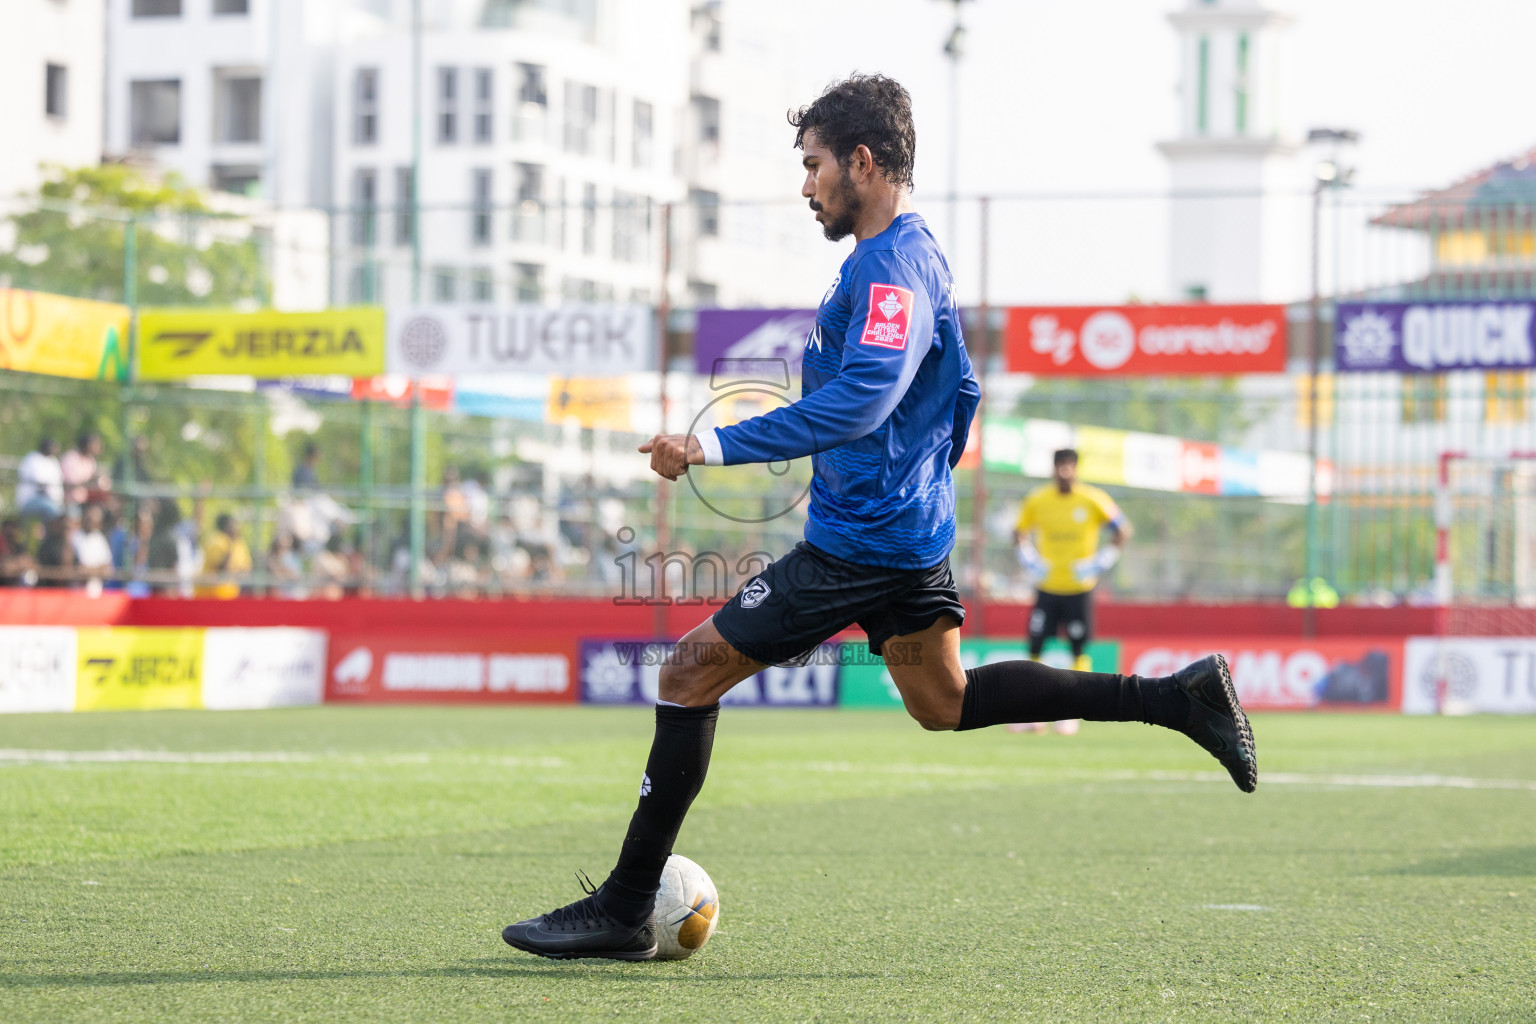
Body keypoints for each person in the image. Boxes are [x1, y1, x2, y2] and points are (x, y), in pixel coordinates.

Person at [500, 74, 1256, 962]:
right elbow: (955, 395)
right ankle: (1180, 696)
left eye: (816, 164)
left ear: (864, 161)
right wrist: (921, 474)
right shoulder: (911, 258)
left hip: (858, 546)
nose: (807, 183)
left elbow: (863, 400)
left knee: (686, 672)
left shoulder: (888, 265)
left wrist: (712, 447)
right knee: (945, 701)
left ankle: (625, 907)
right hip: (904, 535)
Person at [1010, 448, 1133, 734]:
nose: (1064, 471)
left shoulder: (1093, 499)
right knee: (1035, 644)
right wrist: (1027, 557)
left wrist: (1102, 560)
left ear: (1076, 469)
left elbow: (1122, 529)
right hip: (1048, 586)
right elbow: (1018, 532)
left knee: (1078, 647)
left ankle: (1073, 711)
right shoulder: (1037, 500)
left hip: (1079, 587)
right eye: (1060, 466)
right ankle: (1031, 712)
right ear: (1053, 469)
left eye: (1069, 466)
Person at [197, 513, 252, 599]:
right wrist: (230, 546)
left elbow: (246, 568)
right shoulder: (217, 540)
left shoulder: (239, 542)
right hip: (211, 593)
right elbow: (221, 569)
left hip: (230, 593)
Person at [16, 437, 65, 520]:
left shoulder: (53, 461)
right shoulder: (32, 459)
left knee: (66, 512)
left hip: (52, 499)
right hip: (31, 498)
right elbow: (38, 481)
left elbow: (58, 481)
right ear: (46, 446)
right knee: (54, 511)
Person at [70, 503, 115, 592]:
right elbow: (77, 569)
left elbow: (108, 569)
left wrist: (89, 571)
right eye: (90, 519)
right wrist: (96, 570)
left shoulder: (99, 538)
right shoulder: (75, 537)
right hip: (77, 592)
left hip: (96, 592)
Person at [60, 431, 107, 509]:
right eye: (95, 444)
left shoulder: (91, 460)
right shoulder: (71, 458)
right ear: (88, 444)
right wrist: (91, 481)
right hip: (70, 501)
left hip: (88, 501)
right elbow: (70, 483)